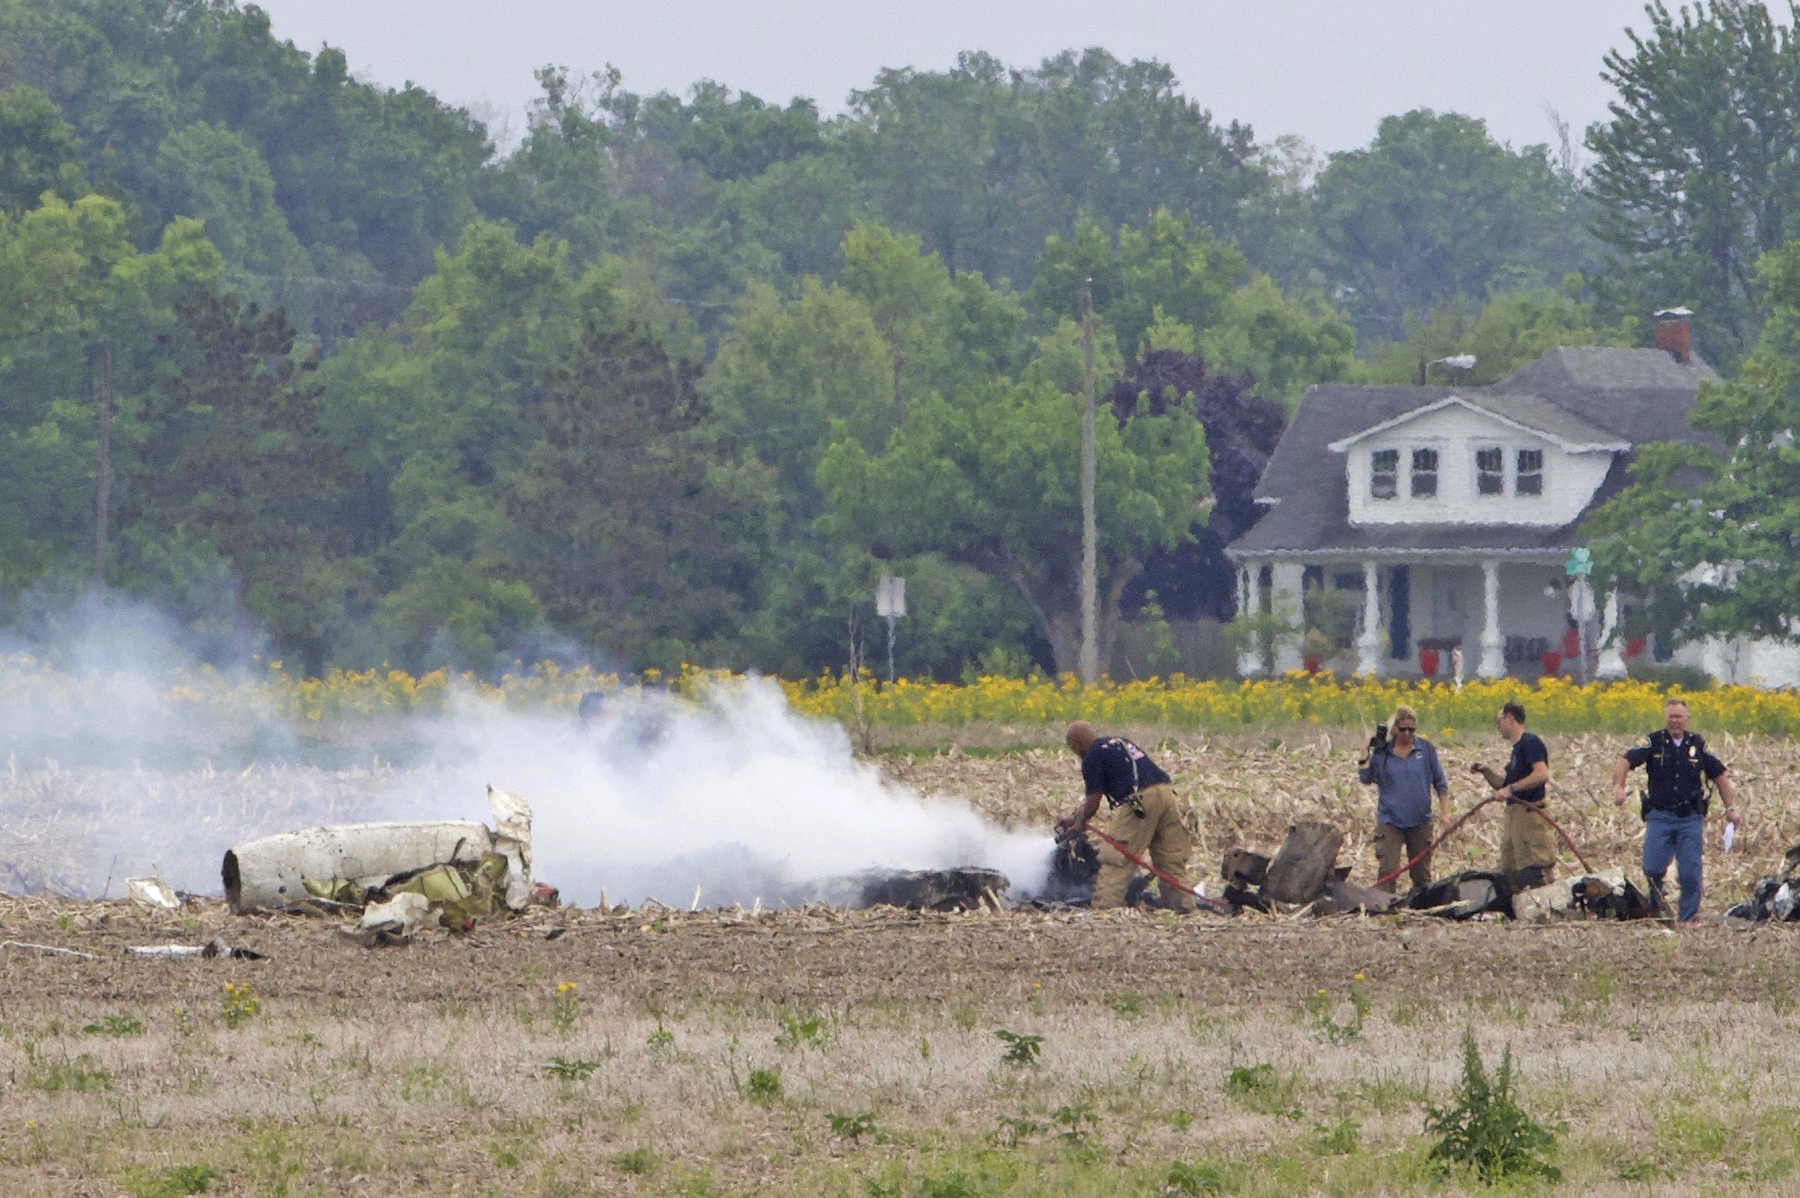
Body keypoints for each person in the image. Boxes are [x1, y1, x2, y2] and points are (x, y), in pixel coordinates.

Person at [1611, 697, 1739, 922]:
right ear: (1666, 718)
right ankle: (1655, 910)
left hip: (1690, 818)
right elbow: (1624, 761)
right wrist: (1618, 787)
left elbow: (1719, 775)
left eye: (1679, 717)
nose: (1675, 721)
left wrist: (1731, 808)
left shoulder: (1698, 745)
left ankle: (1687, 918)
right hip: (1660, 817)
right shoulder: (1653, 742)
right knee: (1652, 869)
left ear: (1686, 719)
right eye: (1671, 717)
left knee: (1690, 873)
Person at [1056, 722, 1195, 912]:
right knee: (1169, 859)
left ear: (1077, 744)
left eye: (1072, 747)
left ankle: (1104, 910)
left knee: (1116, 855)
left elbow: (1093, 802)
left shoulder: (1093, 756)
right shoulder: (1119, 743)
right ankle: (1183, 907)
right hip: (1168, 796)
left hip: (1142, 800)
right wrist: (1076, 816)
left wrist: (1080, 823)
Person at [1356, 704, 1450, 893]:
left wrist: (1445, 813)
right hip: (1391, 821)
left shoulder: (1425, 749)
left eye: (1411, 730)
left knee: (1421, 874)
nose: (1407, 733)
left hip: (1420, 820)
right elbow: (1366, 778)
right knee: (1388, 870)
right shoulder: (1383, 753)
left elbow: (1440, 782)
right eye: (1403, 729)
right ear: (1394, 729)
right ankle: (1384, 908)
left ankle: (1421, 908)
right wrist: (1365, 750)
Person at [1469, 701, 1555, 891]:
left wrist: (1511, 790)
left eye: (1498, 721)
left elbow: (1542, 774)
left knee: (1534, 869)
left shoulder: (1530, 742)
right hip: (1515, 817)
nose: (1498, 726)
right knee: (1512, 870)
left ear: (1510, 719)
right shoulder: (1517, 750)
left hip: (1530, 816)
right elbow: (1504, 785)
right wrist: (1486, 772)